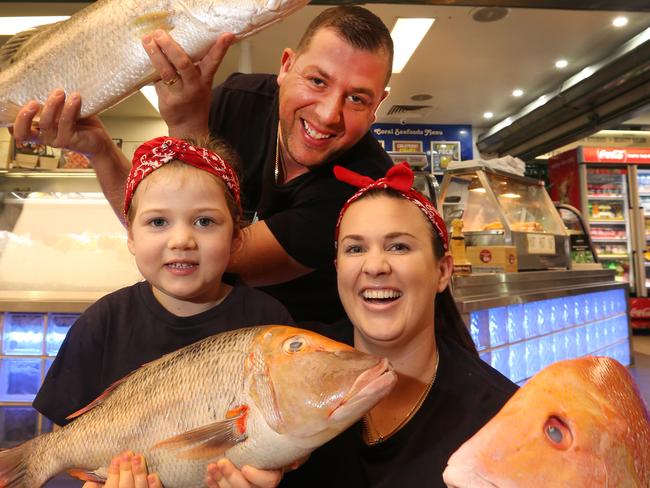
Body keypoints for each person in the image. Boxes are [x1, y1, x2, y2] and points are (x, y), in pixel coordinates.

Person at [12, 6, 394, 324]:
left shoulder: (364, 185)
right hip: (203, 328)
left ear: (379, 104)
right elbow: (157, 222)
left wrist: (186, 125)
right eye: (316, 81)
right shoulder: (235, 100)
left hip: (303, 344)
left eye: (357, 99)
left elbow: (216, 257)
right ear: (285, 66)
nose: (329, 114)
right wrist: (99, 150)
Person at [215, 163, 518, 488]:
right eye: (355, 249)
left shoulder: (499, 420)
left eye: (398, 246)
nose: (374, 266)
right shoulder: (280, 367)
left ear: (443, 271)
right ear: (337, 269)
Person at [33, 136, 292, 487]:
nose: (182, 239)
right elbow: (67, 439)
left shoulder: (268, 322)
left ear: (235, 238)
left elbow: (293, 428)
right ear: (131, 236)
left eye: (204, 222)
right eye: (158, 222)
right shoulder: (102, 321)